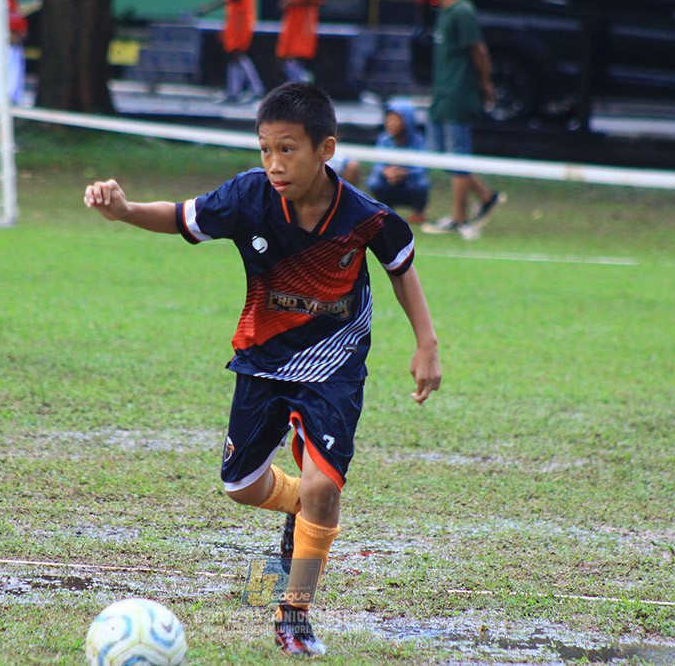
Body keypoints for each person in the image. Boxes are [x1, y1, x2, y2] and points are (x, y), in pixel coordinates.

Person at [84, 81, 441, 657]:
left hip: (335, 364)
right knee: (240, 485)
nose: (273, 163)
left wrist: (426, 344)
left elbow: (402, 267)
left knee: (326, 486)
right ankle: (299, 507)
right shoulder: (247, 197)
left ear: (326, 149)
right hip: (261, 361)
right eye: (264, 148)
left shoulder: (365, 216)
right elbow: (180, 218)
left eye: (287, 149)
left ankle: (291, 611)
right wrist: (123, 211)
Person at [421, 0, 503, 236]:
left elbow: (478, 49)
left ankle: (459, 218)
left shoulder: (462, 11)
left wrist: (486, 84)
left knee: (457, 153)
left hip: (458, 94)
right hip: (441, 94)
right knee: (438, 153)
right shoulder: (443, 11)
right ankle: (486, 196)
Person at [367, 98, 430, 224]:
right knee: (374, 183)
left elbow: (422, 168)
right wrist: (386, 172)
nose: (390, 123)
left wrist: (404, 173)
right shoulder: (384, 139)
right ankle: (385, 211)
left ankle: (418, 213)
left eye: (395, 119)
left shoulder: (418, 140)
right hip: (389, 182)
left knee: (422, 185)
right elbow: (377, 165)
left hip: (409, 184)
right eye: (388, 119)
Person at [276, 0, 322, 83]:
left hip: (303, 20)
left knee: (297, 53)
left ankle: (301, 81)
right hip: (291, 19)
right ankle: (296, 81)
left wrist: (293, 2)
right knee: (287, 55)